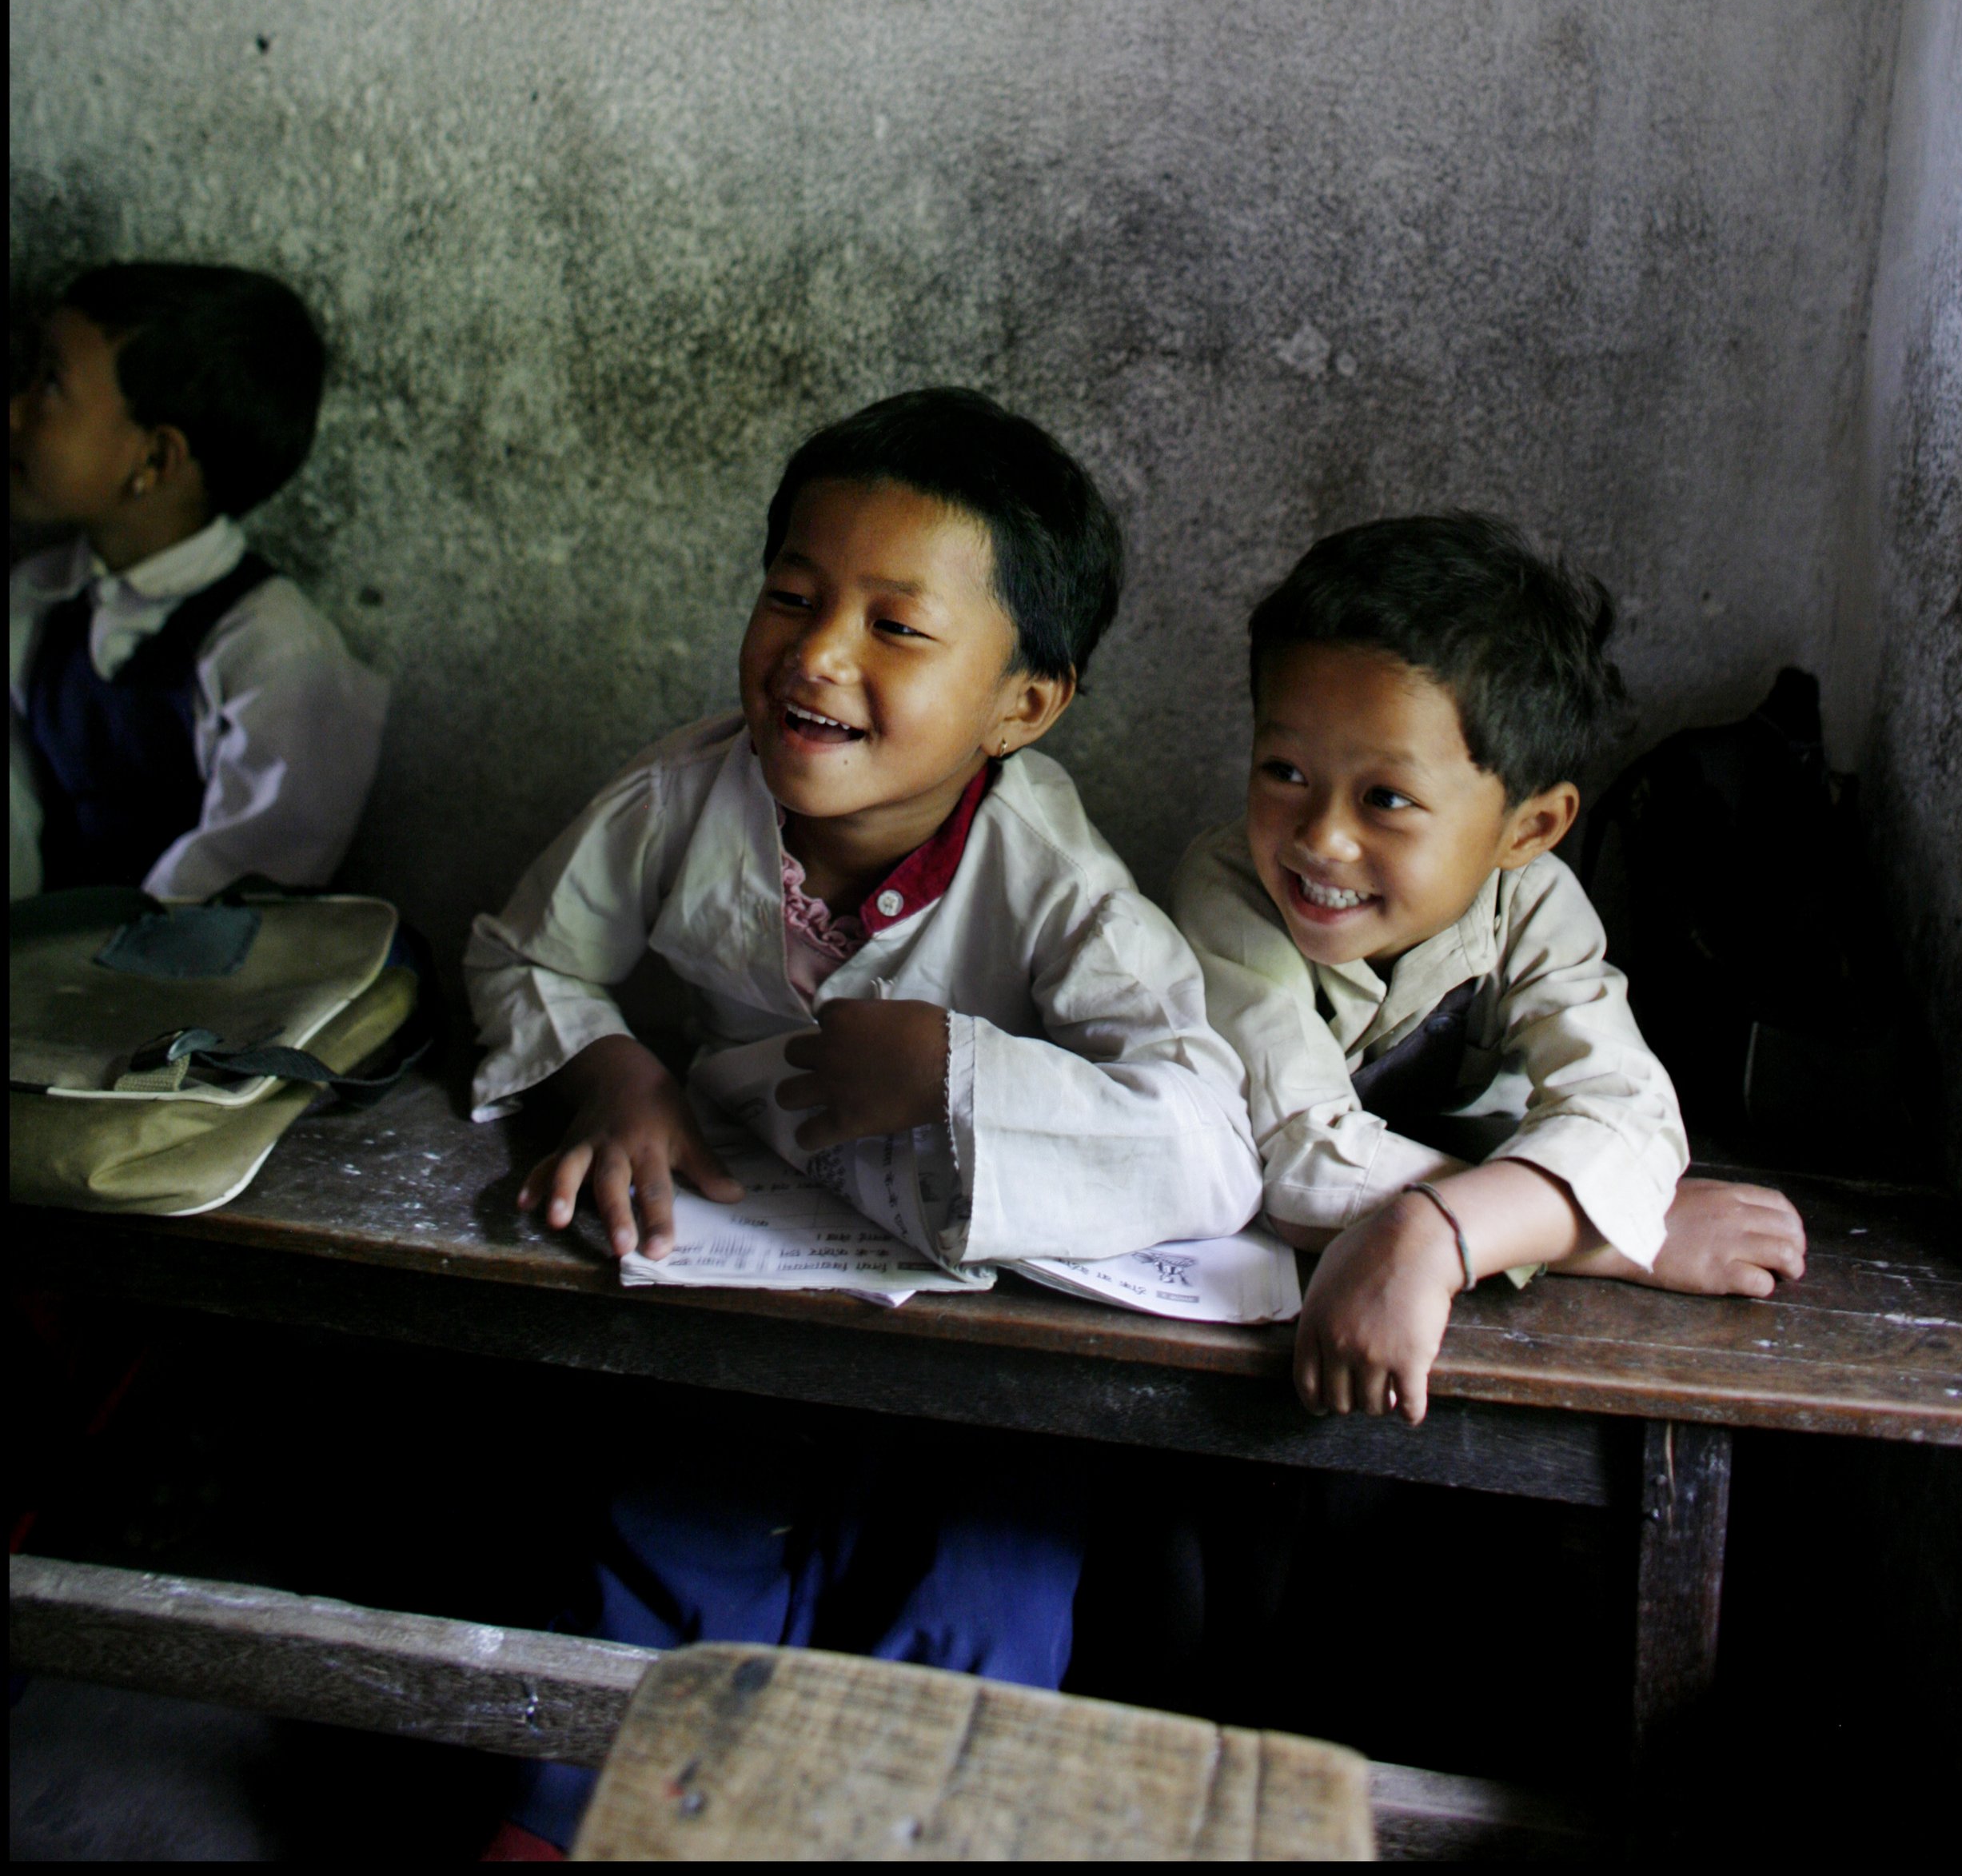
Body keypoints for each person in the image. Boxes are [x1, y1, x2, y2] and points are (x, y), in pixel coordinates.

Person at [465, 387, 1260, 1858]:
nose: (817, 655)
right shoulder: (678, 798)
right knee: (671, 1548)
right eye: (792, 595)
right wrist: (613, 1069)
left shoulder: (1054, 878)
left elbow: (1210, 1139)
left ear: (1024, 705)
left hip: (995, 1351)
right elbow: (525, 956)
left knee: (980, 1601)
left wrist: (959, 1072)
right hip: (754, 1294)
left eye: (897, 625)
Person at [1170, 513, 1805, 1427]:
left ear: (1529, 828)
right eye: (1283, 770)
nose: (1322, 837)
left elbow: (1629, 1113)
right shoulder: (1228, 890)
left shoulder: (1533, 904)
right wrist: (1616, 1235)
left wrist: (1434, 1229)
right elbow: (1301, 1165)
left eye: (1386, 797)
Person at [10, 263, 387, 903]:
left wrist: (105, 957)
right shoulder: (37, 599)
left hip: (202, 960)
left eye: (50, 384)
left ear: (155, 460)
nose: (14, 411)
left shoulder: (274, 652)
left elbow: (244, 885)